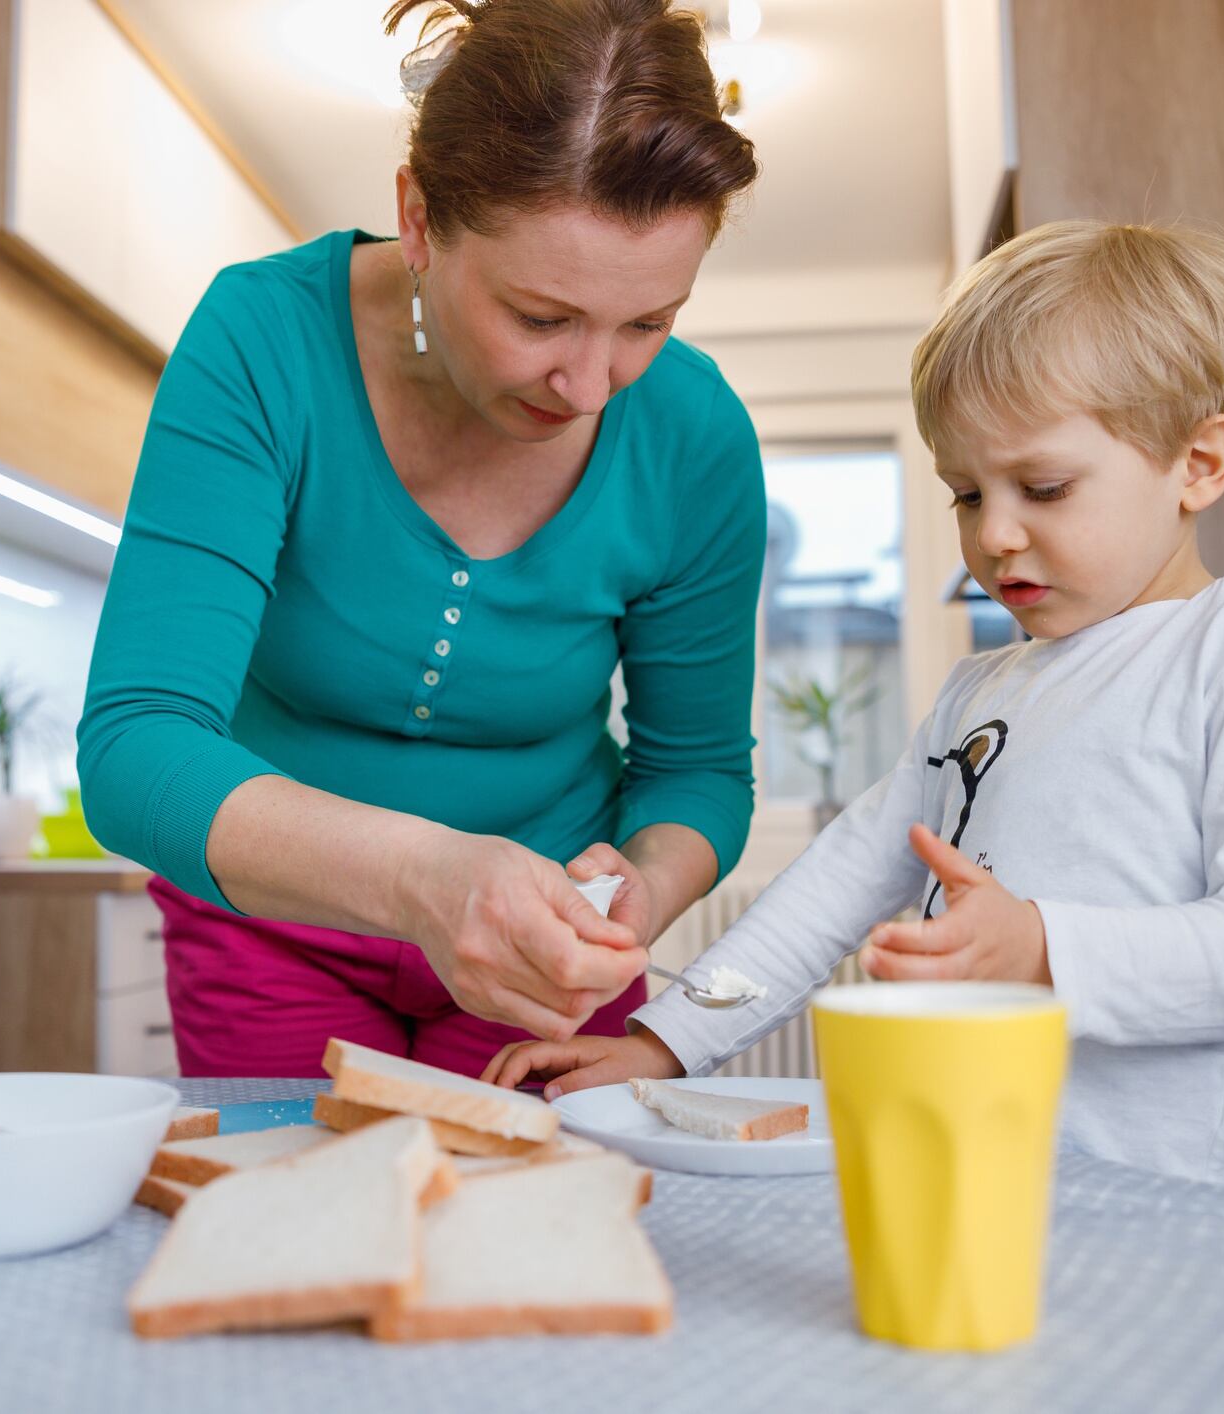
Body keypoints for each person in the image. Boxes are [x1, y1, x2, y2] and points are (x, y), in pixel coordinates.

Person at [487, 221, 1224, 1202]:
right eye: (964, 493)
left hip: (1179, 1206)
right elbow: (828, 893)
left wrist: (1040, 946)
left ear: (1199, 463)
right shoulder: (978, 694)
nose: (994, 533)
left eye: (1044, 486)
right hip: (977, 1187)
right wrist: (664, 1041)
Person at [78, 0, 765, 1076]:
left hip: (545, 944)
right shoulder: (262, 340)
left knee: (526, 1231)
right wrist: (424, 880)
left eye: (648, 323)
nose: (591, 386)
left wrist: (641, 885)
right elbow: (135, 746)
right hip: (270, 925)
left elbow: (700, 775)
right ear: (417, 221)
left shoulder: (696, 436)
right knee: (298, 1225)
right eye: (541, 317)